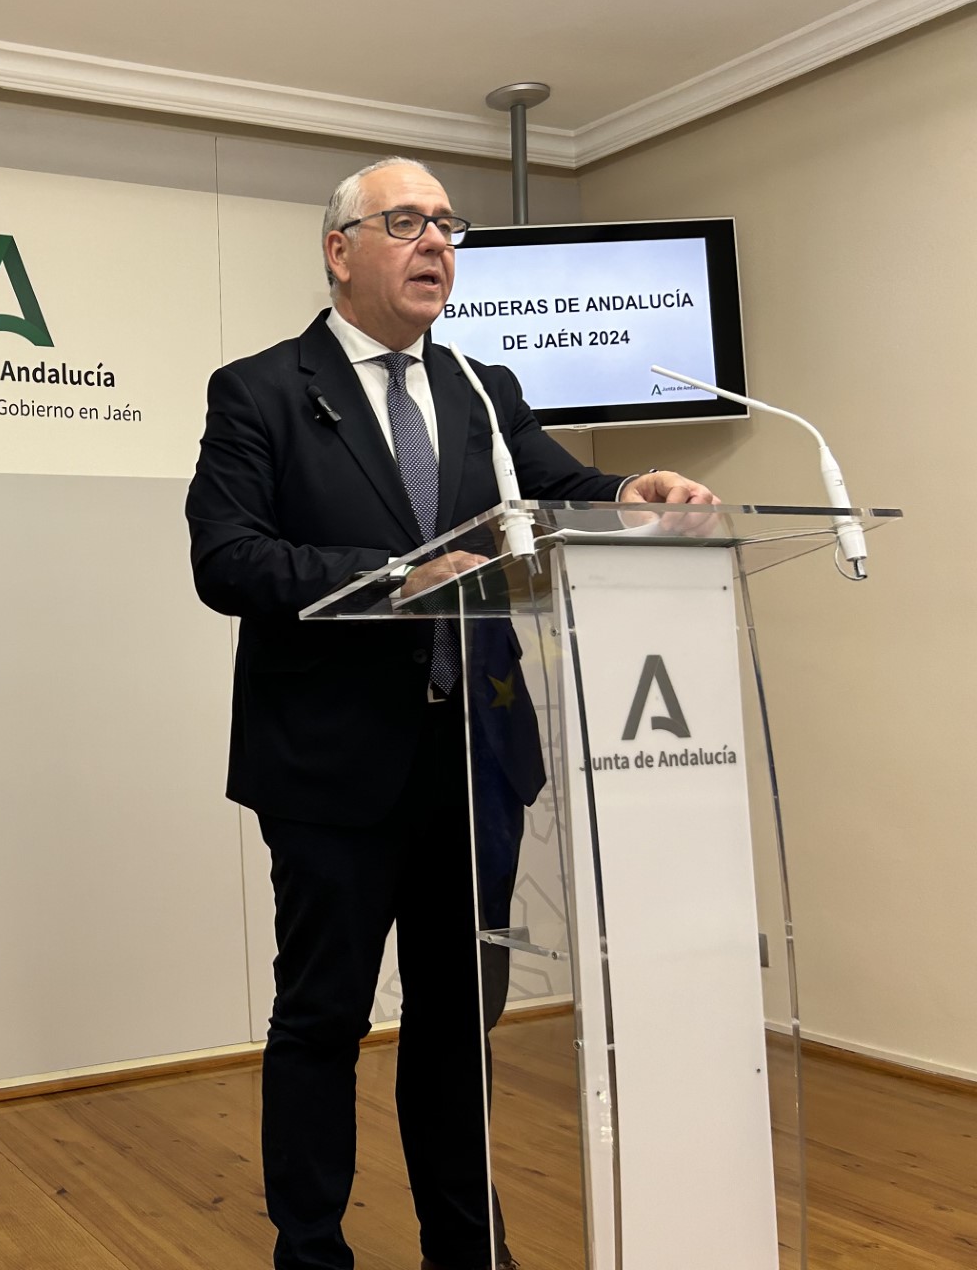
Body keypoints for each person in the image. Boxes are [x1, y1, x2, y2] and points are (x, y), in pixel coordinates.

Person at [184, 157, 715, 1270]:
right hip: (333, 769)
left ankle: (467, 1253)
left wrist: (633, 492)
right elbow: (228, 559)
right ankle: (314, 1253)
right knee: (323, 1020)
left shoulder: (484, 388)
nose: (438, 245)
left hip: (474, 756)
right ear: (341, 251)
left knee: (458, 1027)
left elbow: (554, 487)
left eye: (447, 226)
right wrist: (397, 574)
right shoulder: (262, 391)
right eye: (409, 224)